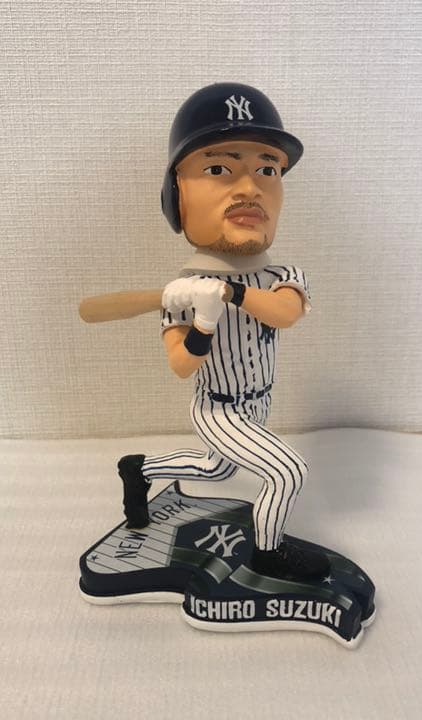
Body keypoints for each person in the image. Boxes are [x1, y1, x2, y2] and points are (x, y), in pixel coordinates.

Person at [118, 83, 330, 582]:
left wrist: (230, 293)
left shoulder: (283, 275)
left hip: (259, 402)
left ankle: (138, 468)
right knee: (287, 471)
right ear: (177, 194)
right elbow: (181, 365)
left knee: (216, 470)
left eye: (268, 170)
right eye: (218, 169)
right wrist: (204, 321)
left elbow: (284, 314)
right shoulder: (184, 293)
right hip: (217, 407)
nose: (250, 188)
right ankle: (268, 554)